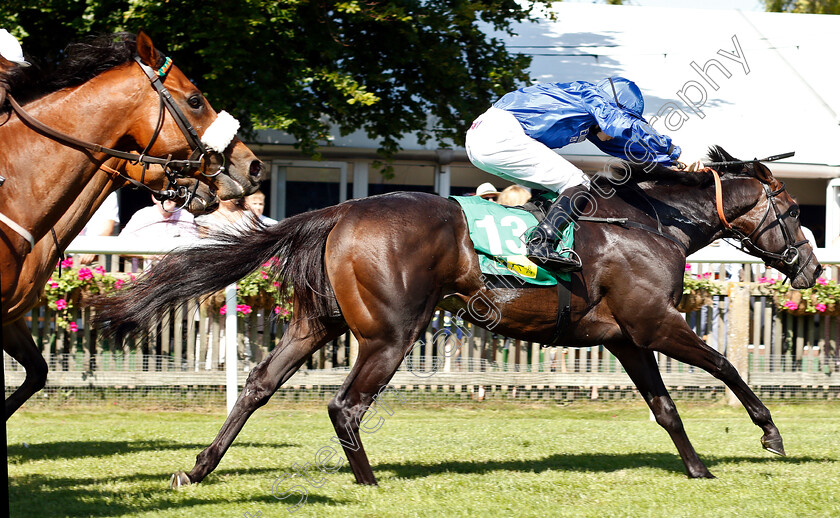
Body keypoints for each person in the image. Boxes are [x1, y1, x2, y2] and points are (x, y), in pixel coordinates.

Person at [466, 77, 681, 272]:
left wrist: (674, 163)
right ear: (614, 109)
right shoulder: (593, 97)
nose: (611, 135)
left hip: (479, 140)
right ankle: (542, 243)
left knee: (556, 189)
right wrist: (671, 150)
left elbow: (624, 146)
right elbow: (625, 127)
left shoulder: (587, 113)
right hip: (499, 135)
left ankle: (528, 239)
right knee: (577, 183)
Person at [120, 194, 199, 241]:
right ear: (154, 198)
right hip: (145, 268)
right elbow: (122, 243)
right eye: (163, 195)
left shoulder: (185, 216)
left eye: (171, 195)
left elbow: (192, 247)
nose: (167, 199)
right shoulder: (142, 215)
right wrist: (146, 255)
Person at [77, 192, 120, 265]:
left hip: (93, 258)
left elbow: (108, 230)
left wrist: (93, 249)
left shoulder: (109, 195)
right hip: (66, 257)